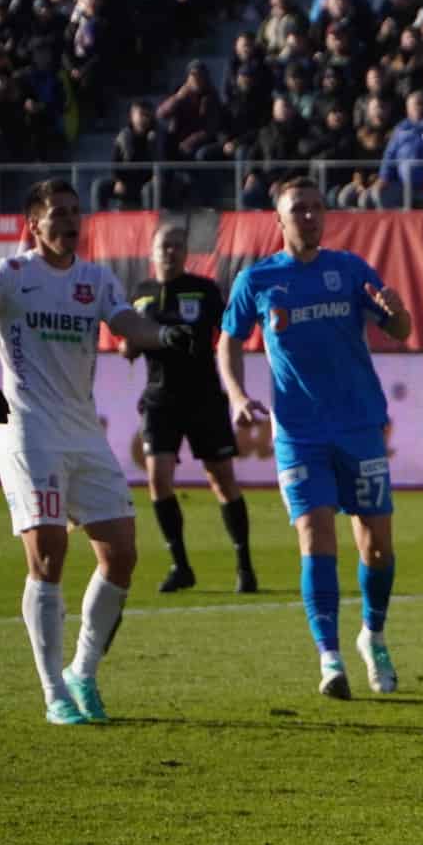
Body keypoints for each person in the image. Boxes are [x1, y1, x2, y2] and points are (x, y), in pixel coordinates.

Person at [0, 180, 195, 725]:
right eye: (58, 214)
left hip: (84, 432)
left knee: (122, 553)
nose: (70, 221)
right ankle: (52, 691)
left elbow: (123, 321)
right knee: (48, 553)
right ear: (33, 226)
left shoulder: (95, 278)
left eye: (75, 213)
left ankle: (83, 674)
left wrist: (162, 335)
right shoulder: (13, 277)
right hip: (29, 429)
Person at [218, 177, 413, 700]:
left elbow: (400, 330)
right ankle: (329, 657)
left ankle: (372, 635)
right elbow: (229, 341)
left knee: (376, 547)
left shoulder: (348, 270)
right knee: (315, 535)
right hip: (299, 434)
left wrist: (397, 311)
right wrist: (237, 395)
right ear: (278, 222)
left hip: (360, 426)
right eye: (296, 210)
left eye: (314, 208)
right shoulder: (257, 281)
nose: (307, 217)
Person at [125, 225, 257, 594]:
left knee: (222, 479)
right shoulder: (141, 294)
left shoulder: (205, 290)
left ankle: (244, 566)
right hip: (159, 398)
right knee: (158, 478)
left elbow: (229, 335)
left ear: (186, 252)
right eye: (163, 246)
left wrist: (236, 388)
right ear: (151, 252)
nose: (169, 252)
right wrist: (129, 347)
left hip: (204, 397)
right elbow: (130, 342)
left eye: (176, 246)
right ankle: (180, 565)